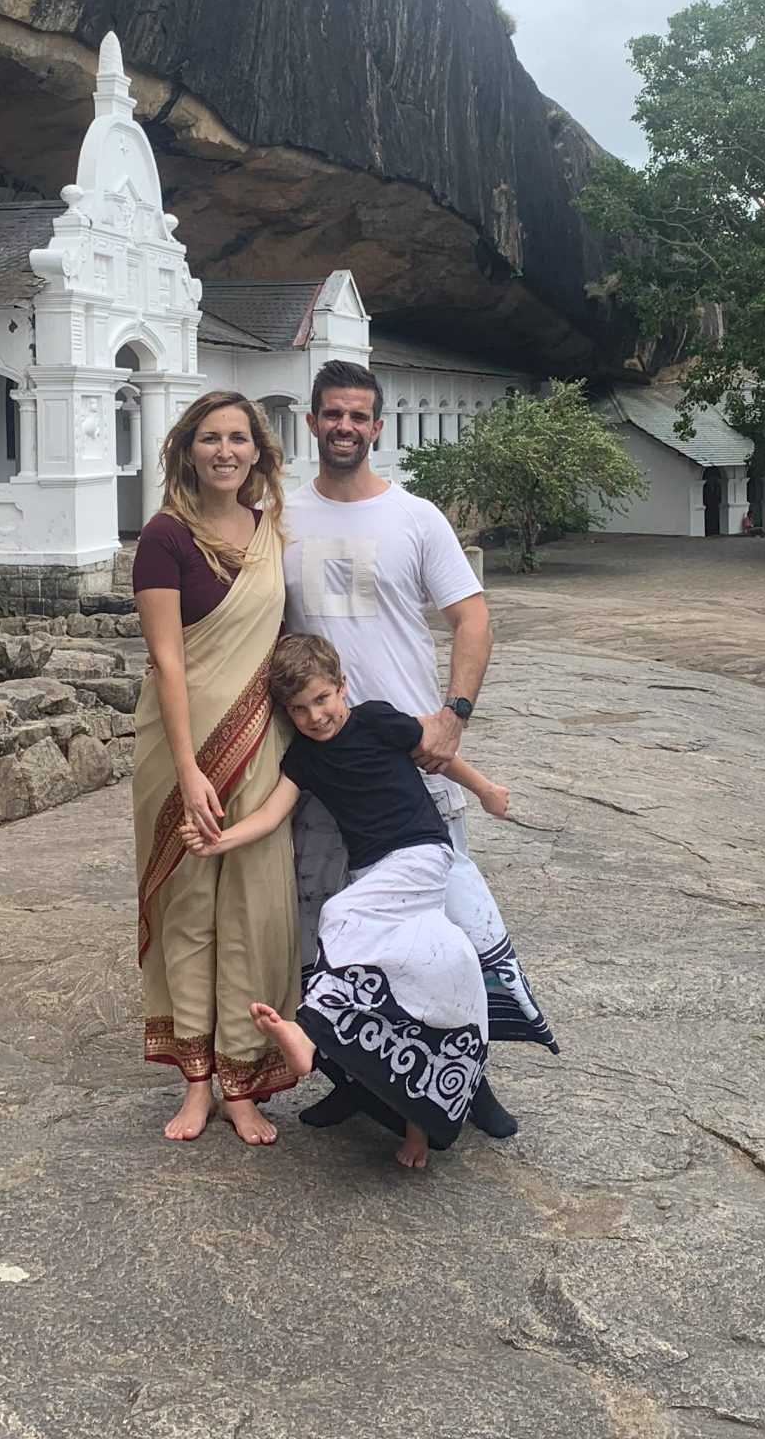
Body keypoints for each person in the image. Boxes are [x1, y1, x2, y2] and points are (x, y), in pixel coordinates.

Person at [281, 359, 558, 1143]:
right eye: (331, 414)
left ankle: (469, 1085)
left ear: (376, 427)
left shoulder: (416, 517)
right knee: (333, 933)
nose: (343, 427)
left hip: (410, 766)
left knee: (450, 932)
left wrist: (453, 715)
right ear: (312, 422)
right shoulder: (283, 519)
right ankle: (360, 1082)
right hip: (326, 775)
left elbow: (473, 618)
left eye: (358, 416)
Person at [180, 633, 509, 1168]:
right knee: (404, 985)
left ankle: (308, 1036)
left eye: (322, 699)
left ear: (342, 686)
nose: (315, 716)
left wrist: (486, 788)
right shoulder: (304, 759)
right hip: (376, 877)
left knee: (339, 914)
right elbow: (270, 816)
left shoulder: (378, 720)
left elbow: (438, 758)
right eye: (300, 708)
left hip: (420, 855)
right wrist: (220, 840)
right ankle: (415, 1131)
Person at [131, 389, 300, 1145]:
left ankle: (242, 1082)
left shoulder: (273, 535)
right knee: (191, 910)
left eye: (238, 439)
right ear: (187, 451)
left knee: (251, 911)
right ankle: (196, 1083)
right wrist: (193, 766)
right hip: (180, 754)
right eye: (210, 439)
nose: (225, 451)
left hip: (260, 744)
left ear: (258, 452)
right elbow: (167, 661)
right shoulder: (165, 537)